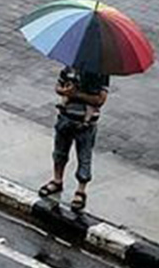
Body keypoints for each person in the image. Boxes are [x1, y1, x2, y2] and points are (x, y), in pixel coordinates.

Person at [39, 66, 109, 211]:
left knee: (84, 156)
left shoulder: (100, 73)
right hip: (65, 118)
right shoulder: (68, 69)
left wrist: (76, 94)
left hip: (85, 125)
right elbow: (58, 87)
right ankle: (57, 180)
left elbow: (100, 100)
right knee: (59, 152)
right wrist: (65, 92)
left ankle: (81, 190)